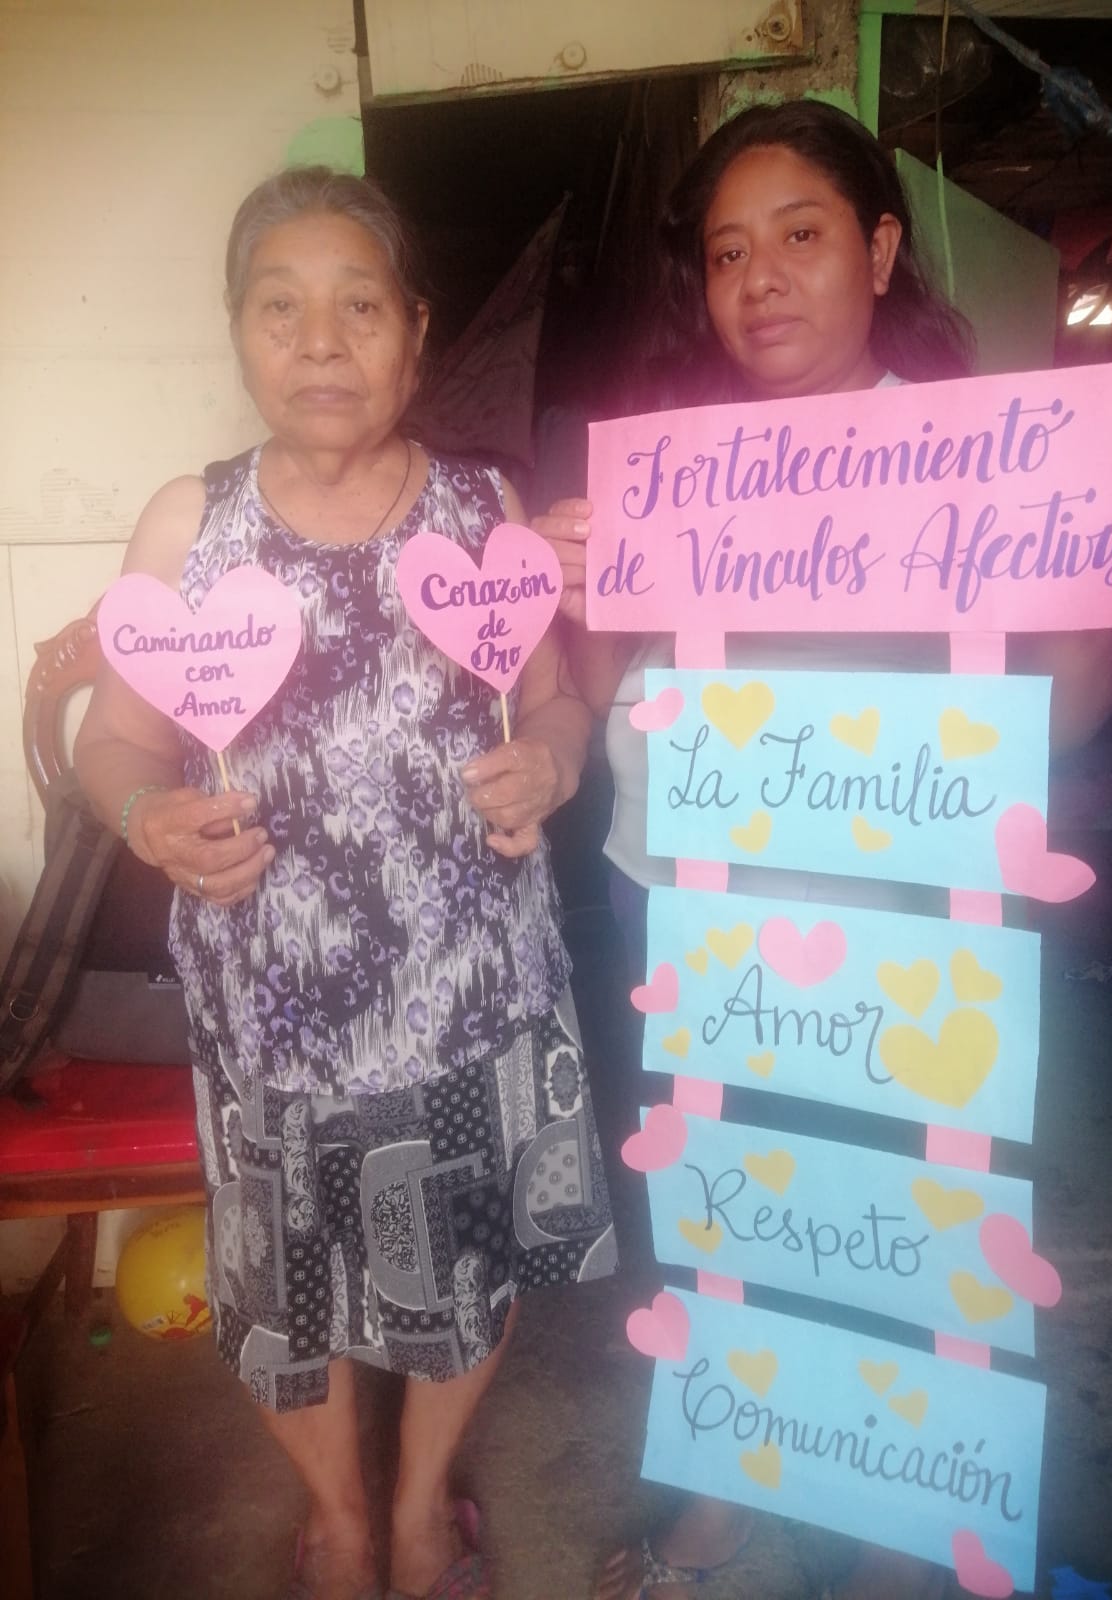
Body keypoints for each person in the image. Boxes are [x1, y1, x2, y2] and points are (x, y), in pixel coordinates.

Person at [531, 100, 1112, 1600]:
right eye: (726, 253)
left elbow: (1062, 718)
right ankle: (728, 1489)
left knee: (898, 1227)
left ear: (883, 249)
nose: (759, 277)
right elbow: (603, 693)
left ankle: (903, 1514)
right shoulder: (673, 470)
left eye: (801, 234)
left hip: (904, 927)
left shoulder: (991, 460)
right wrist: (580, 594)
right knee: (727, 1213)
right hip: (687, 910)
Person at [74, 167, 615, 1600]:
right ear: (238, 333)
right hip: (274, 1010)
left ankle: (421, 1504)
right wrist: (146, 815)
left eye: (359, 307)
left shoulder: (483, 508)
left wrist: (553, 766)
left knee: (469, 1266)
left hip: (472, 990)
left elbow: (556, 703)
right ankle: (344, 1518)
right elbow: (112, 742)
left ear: (417, 333)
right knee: (283, 1293)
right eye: (281, 308)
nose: (320, 342)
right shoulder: (188, 526)